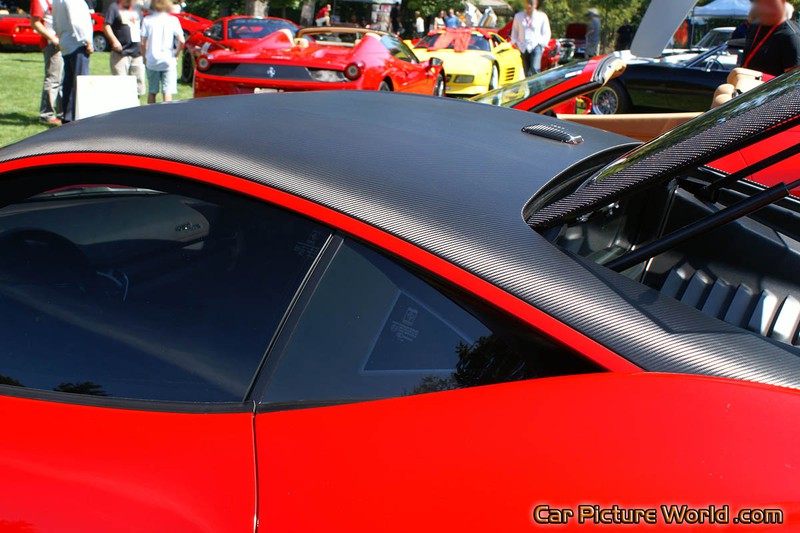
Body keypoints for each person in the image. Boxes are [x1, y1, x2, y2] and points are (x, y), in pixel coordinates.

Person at [52, 0, 93, 123]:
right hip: (77, 42)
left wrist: (61, 36)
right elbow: (76, 21)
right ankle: (78, 117)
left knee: (69, 82)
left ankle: (68, 116)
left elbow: (55, 23)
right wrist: (87, 40)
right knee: (80, 82)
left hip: (66, 41)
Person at [740, 0, 800, 75]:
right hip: (745, 78)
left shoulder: (790, 35)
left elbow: (793, 77)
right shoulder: (755, 27)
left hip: (767, 82)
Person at [141, 0, 183, 104]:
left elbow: (142, 43)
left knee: (152, 91)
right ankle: (167, 113)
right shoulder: (173, 20)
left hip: (152, 59)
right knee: (167, 91)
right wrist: (176, 54)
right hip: (168, 59)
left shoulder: (147, 20)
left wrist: (144, 57)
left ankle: (151, 112)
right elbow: (182, 40)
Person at [104, 0, 145, 98]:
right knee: (121, 88)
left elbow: (142, 27)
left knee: (138, 88)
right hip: (121, 54)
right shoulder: (114, 7)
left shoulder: (137, 8)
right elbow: (106, 25)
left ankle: (137, 106)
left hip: (137, 54)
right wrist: (114, 41)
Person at [30, 0, 62, 125]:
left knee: (62, 80)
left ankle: (62, 113)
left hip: (62, 42)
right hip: (51, 44)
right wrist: (53, 38)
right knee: (53, 79)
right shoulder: (39, 1)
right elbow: (35, 22)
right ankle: (46, 115)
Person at [510, 0, 551, 76]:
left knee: (535, 68)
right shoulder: (519, 16)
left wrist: (542, 44)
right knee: (527, 72)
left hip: (536, 45)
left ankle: (539, 84)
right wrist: (515, 43)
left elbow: (546, 33)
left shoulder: (541, 16)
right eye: (527, 3)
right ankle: (530, 84)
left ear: (535, 4)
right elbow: (514, 32)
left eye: (531, 4)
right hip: (523, 46)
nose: (529, 6)